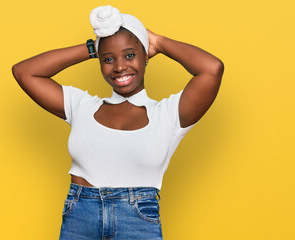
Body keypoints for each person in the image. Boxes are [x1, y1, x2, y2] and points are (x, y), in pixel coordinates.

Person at [12, 5, 224, 240]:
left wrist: (160, 42)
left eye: (130, 55)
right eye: (108, 59)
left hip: (138, 220)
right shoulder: (81, 106)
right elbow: (25, 72)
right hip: (80, 215)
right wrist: (93, 47)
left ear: (146, 57)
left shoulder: (169, 114)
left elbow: (212, 69)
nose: (120, 66)